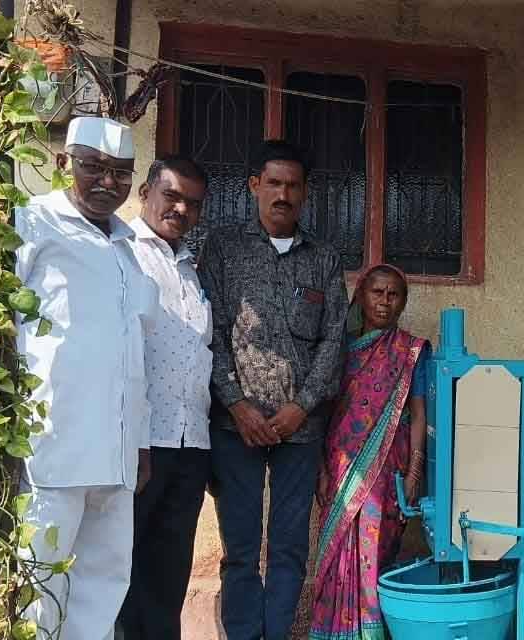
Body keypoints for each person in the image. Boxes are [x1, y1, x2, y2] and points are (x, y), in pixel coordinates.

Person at [198, 140, 347, 640]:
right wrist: (236, 404)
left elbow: (334, 340)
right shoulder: (223, 248)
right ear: (254, 185)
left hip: (299, 430)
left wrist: (301, 407)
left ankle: (277, 632)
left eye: (293, 185)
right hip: (234, 427)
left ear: (305, 193)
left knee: (289, 546)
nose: (283, 194)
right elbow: (209, 330)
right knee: (240, 546)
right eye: (274, 183)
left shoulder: (324, 259)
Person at [15, 116, 157, 639]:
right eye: (93, 167)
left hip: (116, 456)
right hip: (54, 445)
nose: (107, 181)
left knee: (103, 584)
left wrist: (140, 443)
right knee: (40, 587)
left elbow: (134, 353)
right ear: (64, 163)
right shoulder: (32, 224)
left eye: (120, 171)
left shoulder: (128, 249)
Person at [307, 264, 431, 640]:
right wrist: (321, 470)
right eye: (377, 292)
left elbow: (419, 414)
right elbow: (323, 412)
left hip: (388, 471)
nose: (384, 301)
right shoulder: (340, 351)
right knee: (335, 554)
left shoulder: (411, 352)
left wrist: (414, 472)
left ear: (403, 302)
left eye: (394, 294)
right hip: (340, 468)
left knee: (376, 551)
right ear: (361, 296)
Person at [119, 155, 212, 639]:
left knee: (170, 573)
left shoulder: (192, 269)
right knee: (123, 569)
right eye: (171, 196)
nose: (180, 209)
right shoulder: (123, 253)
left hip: (190, 444)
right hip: (141, 443)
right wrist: (135, 440)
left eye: (191, 203)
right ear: (145, 193)